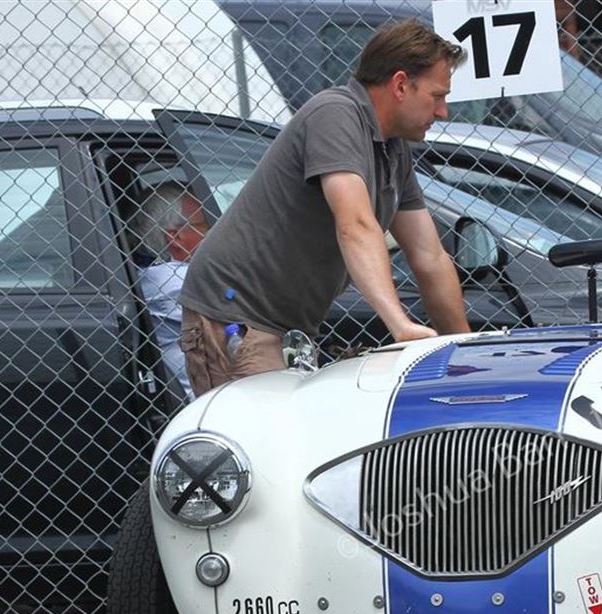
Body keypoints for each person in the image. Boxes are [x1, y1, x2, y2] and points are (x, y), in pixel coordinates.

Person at [178, 19, 470, 397]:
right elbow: (355, 224)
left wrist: (466, 352)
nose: (444, 111)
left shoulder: (392, 149)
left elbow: (430, 257)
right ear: (400, 84)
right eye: (437, 96)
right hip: (237, 315)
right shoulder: (335, 115)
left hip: (286, 326)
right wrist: (400, 325)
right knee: (265, 443)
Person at [131, 181, 209, 400]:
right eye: (206, 224)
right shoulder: (175, 282)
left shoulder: (148, 273)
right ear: (176, 237)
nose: (215, 229)